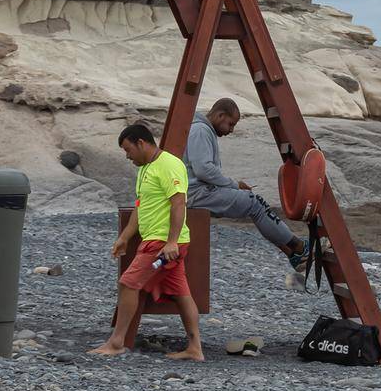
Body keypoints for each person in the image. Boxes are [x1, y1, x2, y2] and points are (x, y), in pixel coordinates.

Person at [89, 123, 201, 360]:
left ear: (141, 143)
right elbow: (140, 209)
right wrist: (124, 238)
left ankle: (117, 341)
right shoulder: (144, 170)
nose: (128, 156)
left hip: (163, 245)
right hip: (159, 242)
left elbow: (179, 203)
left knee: (128, 284)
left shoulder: (170, 165)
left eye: (128, 150)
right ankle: (195, 348)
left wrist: (171, 242)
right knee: (181, 292)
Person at [185, 98, 309, 276]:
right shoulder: (200, 130)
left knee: (254, 207)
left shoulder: (202, 130)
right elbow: (203, 169)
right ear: (220, 115)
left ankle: (292, 253)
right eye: (230, 124)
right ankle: (299, 246)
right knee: (254, 203)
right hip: (197, 194)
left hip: (199, 192)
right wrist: (234, 185)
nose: (231, 130)